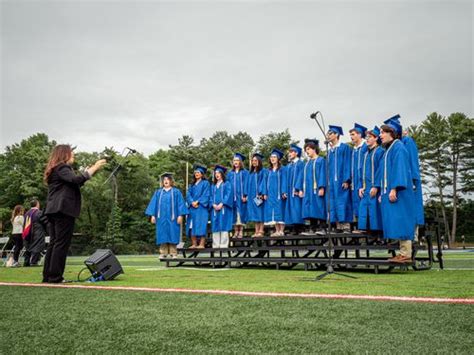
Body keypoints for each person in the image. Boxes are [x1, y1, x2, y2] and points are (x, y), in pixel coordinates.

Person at [42, 144, 106, 283]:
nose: (73, 155)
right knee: (61, 244)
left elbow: (74, 182)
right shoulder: (62, 167)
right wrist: (94, 168)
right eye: (72, 153)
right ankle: (55, 277)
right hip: (63, 210)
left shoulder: (55, 169)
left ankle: (48, 276)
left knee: (54, 243)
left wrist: (86, 172)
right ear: (65, 154)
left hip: (53, 210)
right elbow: (76, 180)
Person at [375, 120, 416, 263]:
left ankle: (406, 254)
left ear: (391, 133)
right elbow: (385, 174)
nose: (380, 135)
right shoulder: (388, 149)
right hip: (390, 191)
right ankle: (402, 253)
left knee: (402, 219)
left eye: (382, 132)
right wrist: (383, 192)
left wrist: (393, 189)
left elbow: (400, 169)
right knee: (396, 221)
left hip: (400, 192)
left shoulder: (398, 147)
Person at [385, 114, 424, 228]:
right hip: (401, 179)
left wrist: (412, 180)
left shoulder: (407, 141)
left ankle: (414, 234)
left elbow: (412, 162)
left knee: (411, 206)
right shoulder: (392, 145)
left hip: (410, 180)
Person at [146, 173, 187, 259]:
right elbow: (154, 204)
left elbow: (180, 204)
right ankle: (163, 253)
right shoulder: (159, 192)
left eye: (167, 180)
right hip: (161, 218)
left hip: (173, 217)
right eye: (164, 180)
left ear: (171, 181)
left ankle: (173, 253)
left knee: (173, 233)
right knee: (162, 234)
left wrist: (180, 215)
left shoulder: (176, 192)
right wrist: (153, 215)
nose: (166, 181)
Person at [357, 127, 384, 235]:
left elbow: (380, 170)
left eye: (369, 137)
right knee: (366, 211)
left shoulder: (380, 151)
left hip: (375, 188)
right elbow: (361, 172)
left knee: (376, 212)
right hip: (366, 188)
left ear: (376, 138)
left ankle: (380, 237)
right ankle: (369, 234)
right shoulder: (366, 154)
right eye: (366, 137)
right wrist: (360, 186)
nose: (366, 139)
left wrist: (376, 186)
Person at [326, 125, 352, 232]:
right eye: (328, 133)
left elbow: (347, 163)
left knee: (343, 200)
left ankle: (345, 225)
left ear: (336, 135)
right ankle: (337, 225)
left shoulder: (344, 147)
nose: (328, 135)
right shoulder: (330, 150)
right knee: (333, 201)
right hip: (332, 181)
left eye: (330, 133)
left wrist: (347, 180)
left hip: (341, 180)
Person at [300, 139, 326, 235]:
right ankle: (312, 228)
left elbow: (323, 174)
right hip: (308, 190)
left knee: (319, 206)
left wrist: (322, 187)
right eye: (306, 149)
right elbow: (303, 177)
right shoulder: (307, 163)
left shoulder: (321, 160)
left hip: (317, 189)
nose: (307, 151)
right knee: (310, 208)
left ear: (314, 149)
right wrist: (301, 189)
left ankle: (322, 228)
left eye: (308, 149)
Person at [263, 148, 287, 236]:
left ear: (278, 159)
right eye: (271, 157)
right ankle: (277, 230)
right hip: (270, 194)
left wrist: (284, 191)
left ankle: (281, 230)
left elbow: (284, 180)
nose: (272, 158)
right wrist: (265, 193)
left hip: (279, 194)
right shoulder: (268, 171)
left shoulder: (282, 169)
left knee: (280, 210)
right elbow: (264, 183)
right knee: (273, 211)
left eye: (274, 157)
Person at [186, 165, 210, 249]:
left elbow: (206, 194)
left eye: (198, 172)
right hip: (192, 208)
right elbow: (188, 194)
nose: (196, 174)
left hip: (201, 208)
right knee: (192, 225)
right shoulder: (191, 185)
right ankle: (194, 244)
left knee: (201, 224)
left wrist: (198, 201)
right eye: (195, 172)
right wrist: (192, 202)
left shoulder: (205, 183)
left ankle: (201, 244)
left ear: (202, 174)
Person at [349, 123, 368, 229]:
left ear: (360, 135)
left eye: (353, 134)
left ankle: (364, 228)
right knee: (356, 203)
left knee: (363, 204)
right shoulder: (354, 150)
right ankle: (359, 227)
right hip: (355, 181)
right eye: (350, 135)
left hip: (363, 181)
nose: (351, 137)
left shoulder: (365, 147)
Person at [209, 165, 233, 248]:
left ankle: (223, 245)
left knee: (224, 225)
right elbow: (210, 196)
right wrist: (213, 204)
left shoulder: (227, 184)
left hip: (224, 208)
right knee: (215, 226)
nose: (217, 174)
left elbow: (228, 194)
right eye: (215, 173)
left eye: (219, 173)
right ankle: (215, 245)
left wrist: (222, 203)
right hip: (214, 209)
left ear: (222, 174)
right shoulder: (213, 186)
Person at [284, 144, 305, 234]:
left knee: (297, 208)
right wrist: (284, 191)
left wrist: (298, 188)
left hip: (296, 191)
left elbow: (301, 177)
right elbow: (285, 179)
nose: (290, 153)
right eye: (290, 152)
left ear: (296, 153)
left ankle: (299, 228)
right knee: (290, 208)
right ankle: (292, 227)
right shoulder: (289, 165)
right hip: (289, 190)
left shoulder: (301, 164)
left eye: (292, 152)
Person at [227, 153, 249, 238]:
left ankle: (241, 232)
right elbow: (228, 186)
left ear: (240, 162)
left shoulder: (245, 172)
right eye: (234, 160)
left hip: (241, 197)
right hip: (233, 197)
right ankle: (236, 231)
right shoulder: (230, 173)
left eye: (237, 160)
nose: (235, 162)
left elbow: (247, 184)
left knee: (241, 213)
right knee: (234, 213)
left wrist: (245, 195)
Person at [22, 199, 48, 266]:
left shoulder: (26, 213)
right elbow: (45, 221)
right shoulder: (38, 212)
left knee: (28, 247)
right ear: (37, 204)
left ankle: (26, 262)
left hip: (27, 232)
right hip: (37, 232)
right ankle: (34, 262)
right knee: (37, 246)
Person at [247, 153, 266, 237]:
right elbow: (248, 185)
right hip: (252, 196)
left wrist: (261, 193)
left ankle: (261, 231)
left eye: (255, 160)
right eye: (253, 161)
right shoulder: (251, 173)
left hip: (259, 196)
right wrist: (247, 195)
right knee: (254, 213)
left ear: (259, 161)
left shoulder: (262, 171)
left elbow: (263, 183)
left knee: (260, 213)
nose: (254, 162)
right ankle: (256, 231)